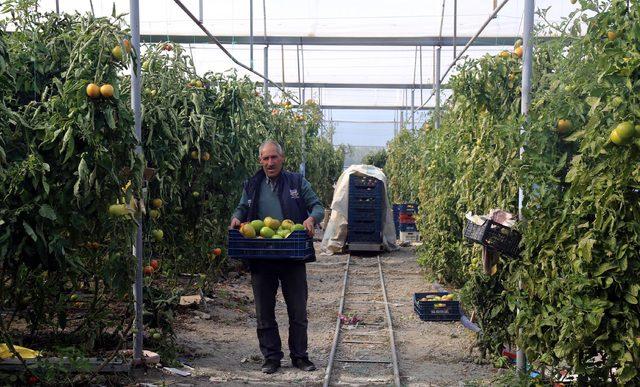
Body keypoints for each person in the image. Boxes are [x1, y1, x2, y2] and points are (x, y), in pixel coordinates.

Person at [229, 140, 324, 374]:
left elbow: (318, 207)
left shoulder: (297, 182)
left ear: (282, 158)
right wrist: (235, 218)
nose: (270, 162)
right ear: (260, 160)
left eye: (274, 158)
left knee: (298, 310)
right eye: (265, 158)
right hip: (261, 254)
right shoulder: (252, 185)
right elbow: (242, 208)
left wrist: (311, 219)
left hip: (291, 252)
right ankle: (271, 357)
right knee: (264, 310)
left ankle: (300, 356)